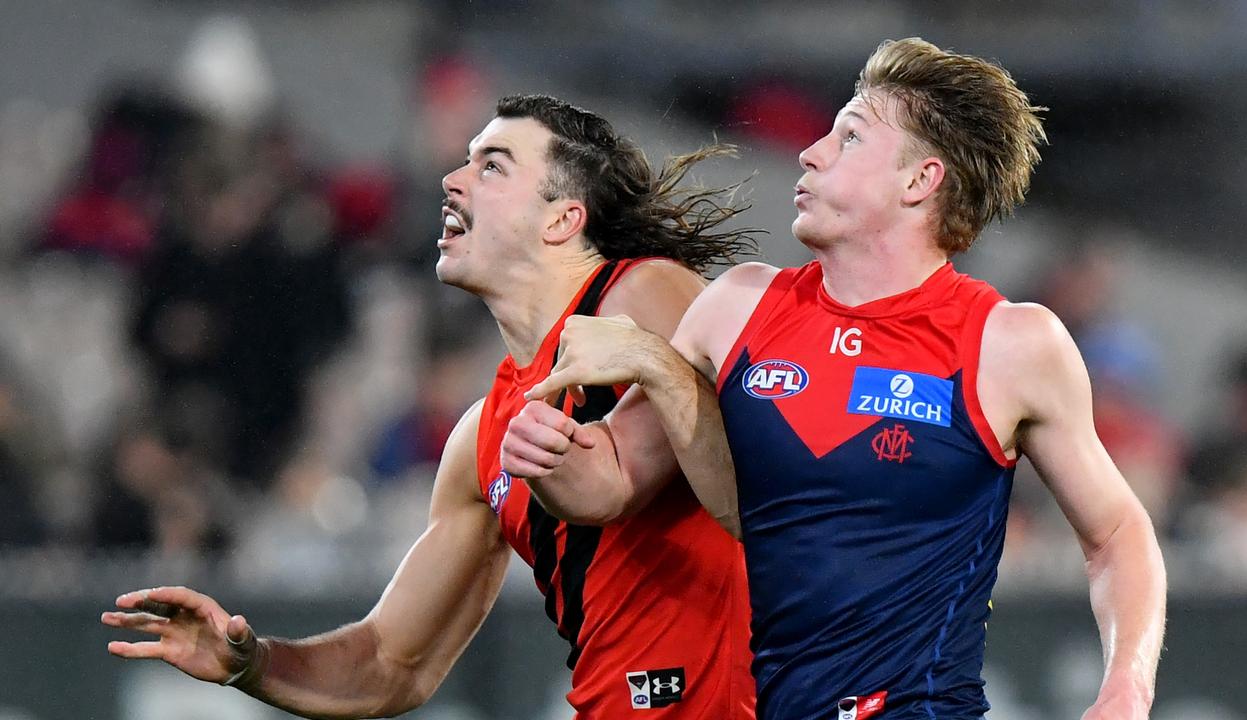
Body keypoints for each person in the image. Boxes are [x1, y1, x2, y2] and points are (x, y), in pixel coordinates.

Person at [502, 39, 1167, 720]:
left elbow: (1117, 535)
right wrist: (547, 453)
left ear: (920, 181)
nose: (809, 152)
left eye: (848, 138)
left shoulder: (1010, 342)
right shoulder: (737, 307)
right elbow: (607, 482)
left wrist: (1126, 688)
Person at [103, 94, 758, 719]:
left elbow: (631, 481)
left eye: (491, 166)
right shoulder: (480, 441)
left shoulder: (648, 293)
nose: (451, 181)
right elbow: (391, 662)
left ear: (563, 217)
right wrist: (252, 662)